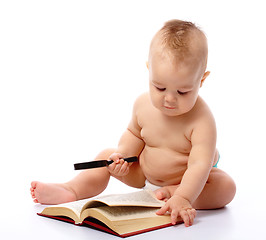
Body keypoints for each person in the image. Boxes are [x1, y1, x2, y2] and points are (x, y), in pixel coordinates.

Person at [31, 19, 236, 227]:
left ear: (201, 80)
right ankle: (72, 190)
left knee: (226, 187)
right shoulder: (142, 104)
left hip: (186, 181)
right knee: (105, 156)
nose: (169, 99)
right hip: (143, 174)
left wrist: (184, 196)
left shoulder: (202, 121)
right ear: (149, 71)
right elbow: (134, 133)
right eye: (159, 87)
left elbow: (199, 165)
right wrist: (123, 156)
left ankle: (173, 195)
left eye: (183, 91)